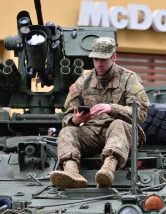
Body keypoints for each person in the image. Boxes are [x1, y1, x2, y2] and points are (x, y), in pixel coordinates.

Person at [49, 37, 150, 188]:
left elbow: (141, 113)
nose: (99, 64)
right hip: (92, 133)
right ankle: (71, 172)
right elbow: (68, 115)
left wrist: (113, 108)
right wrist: (75, 119)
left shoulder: (129, 79)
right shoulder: (83, 81)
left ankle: (108, 169)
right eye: (95, 59)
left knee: (117, 124)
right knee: (67, 131)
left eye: (103, 59)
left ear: (114, 57)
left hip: (123, 134)